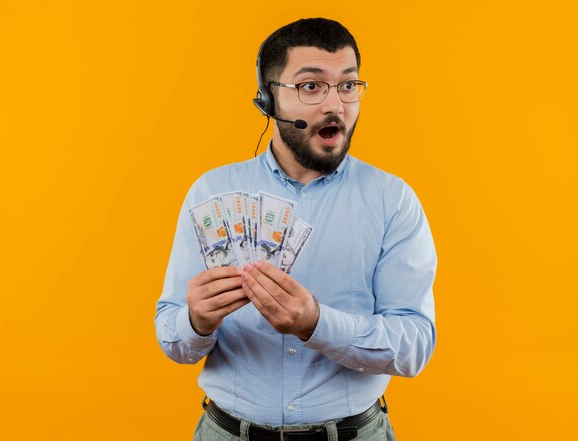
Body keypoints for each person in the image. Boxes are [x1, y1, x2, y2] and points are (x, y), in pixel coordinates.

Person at [155, 17, 436, 441]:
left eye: (347, 85)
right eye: (310, 86)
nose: (335, 106)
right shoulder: (212, 193)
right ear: (269, 99)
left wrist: (315, 323)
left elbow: (413, 345)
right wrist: (194, 322)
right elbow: (170, 336)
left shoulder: (392, 200)